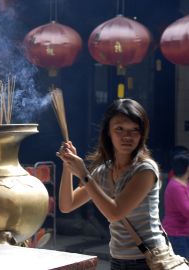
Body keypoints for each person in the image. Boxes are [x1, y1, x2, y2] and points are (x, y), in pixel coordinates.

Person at [57, 98, 165, 270]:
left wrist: (84, 173)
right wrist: (68, 166)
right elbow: (67, 205)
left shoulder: (145, 170)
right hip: (117, 259)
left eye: (134, 130)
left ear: (142, 134)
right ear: (108, 132)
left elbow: (115, 212)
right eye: (119, 129)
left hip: (147, 259)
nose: (127, 137)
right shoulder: (103, 171)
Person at [162, 153, 189, 259]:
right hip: (177, 234)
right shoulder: (176, 187)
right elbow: (187, 211)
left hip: (185, 232)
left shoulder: (185, 183)